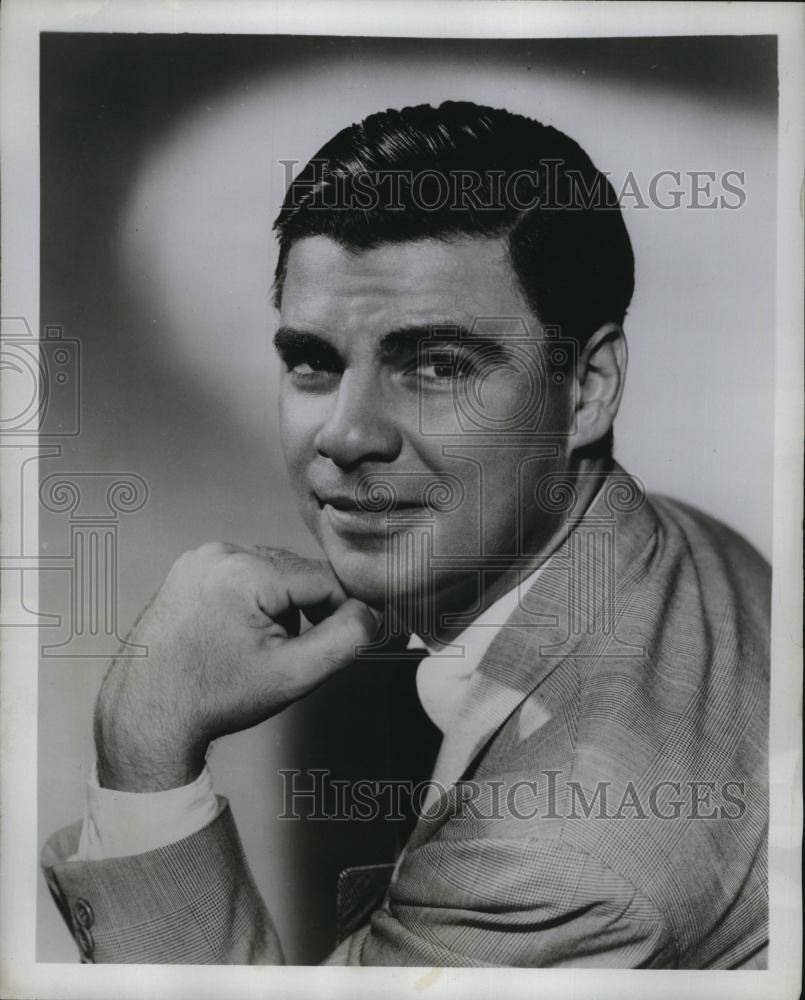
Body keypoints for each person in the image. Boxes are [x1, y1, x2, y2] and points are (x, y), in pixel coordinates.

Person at [41, 101, 769, 968]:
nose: (345, 436)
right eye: (314, 362)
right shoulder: (675, 545)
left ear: (587, 389)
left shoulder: (553, 864)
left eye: (435, 366)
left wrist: (143, 749)